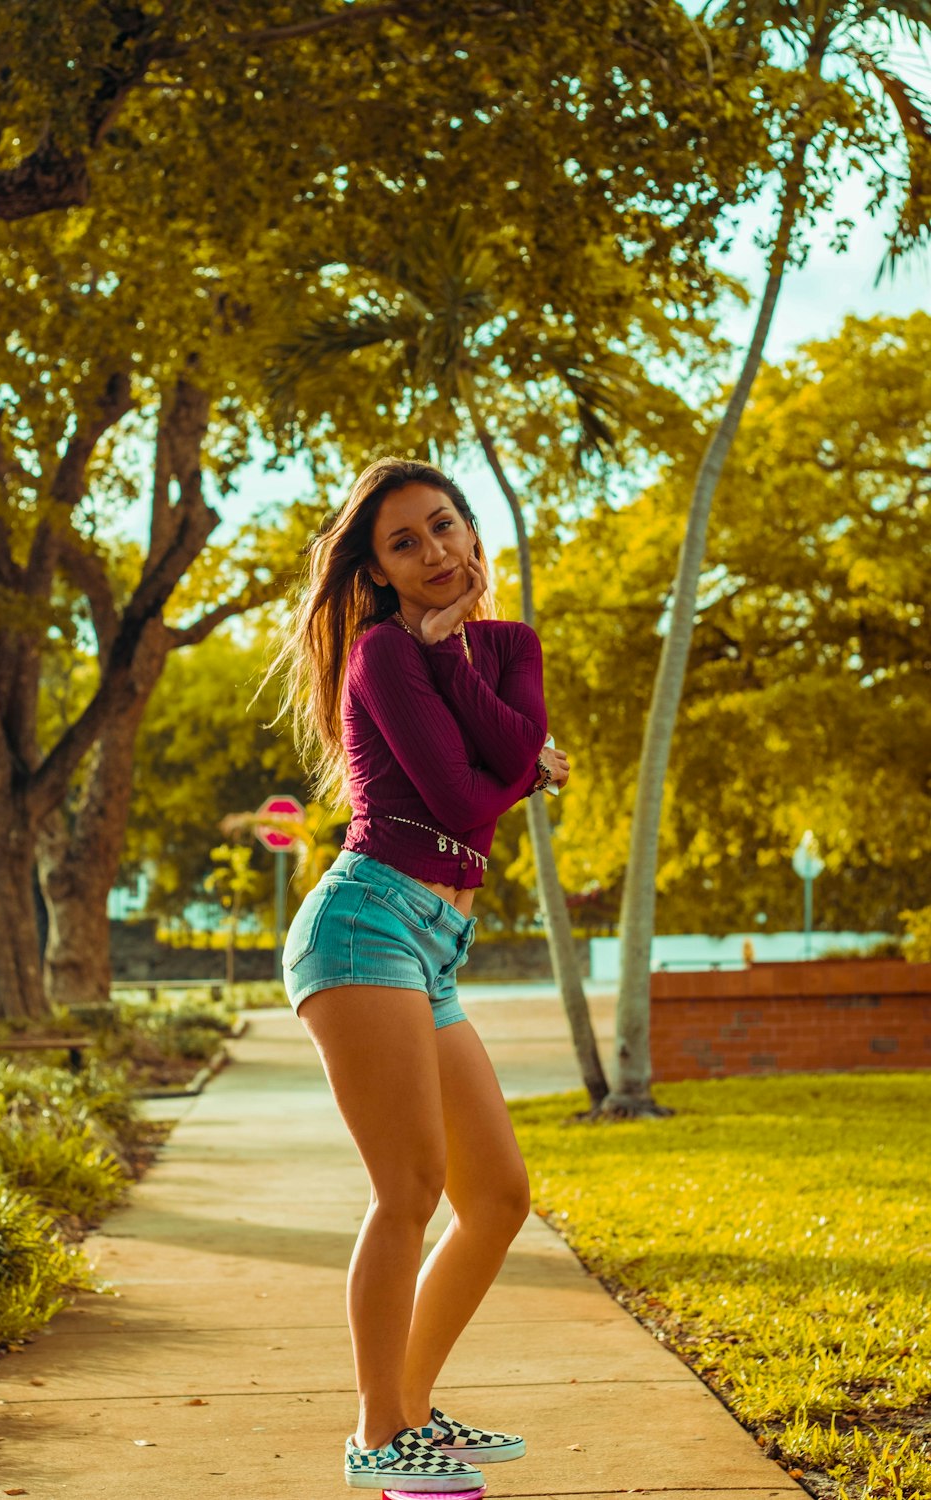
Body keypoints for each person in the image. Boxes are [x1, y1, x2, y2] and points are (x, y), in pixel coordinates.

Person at [262, 456, 569, 1492]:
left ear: (471, 532)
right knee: (409, 1189)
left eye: (444, 527)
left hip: (434, 944)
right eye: (405, 543)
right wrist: (524, 765)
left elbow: (505, 754)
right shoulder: (381, 656)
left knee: (497, 1195)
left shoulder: (510, 645)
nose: (436, 552)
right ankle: (378, 1434)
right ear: (380, 572)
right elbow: (465, 795)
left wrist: (504, 741)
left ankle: (413, 1413)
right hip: (364, 925)